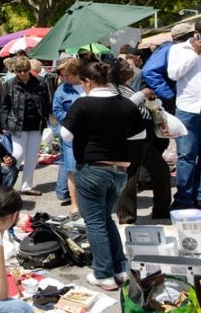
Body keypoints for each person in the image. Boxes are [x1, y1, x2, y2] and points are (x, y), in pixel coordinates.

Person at [61, 62, 146, 290]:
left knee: (95, 223)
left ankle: (103, 274)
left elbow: (65, 134)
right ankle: (120, 268)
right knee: (106, 219)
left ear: (88, 81)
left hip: (93, 168)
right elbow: (140, 135)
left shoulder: (83, 103)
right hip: (119, 171)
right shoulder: (127, 104)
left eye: (83, 83)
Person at [110, 59, 171, 223]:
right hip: (130, 141)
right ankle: (127, 218)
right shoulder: (113, 89)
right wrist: (142, 94)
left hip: (144, 140)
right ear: (120, 73)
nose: (132, 69)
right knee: (130, 178)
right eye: (128, 67)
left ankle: (162, 210)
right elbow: (125, 107)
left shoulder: (126, 86)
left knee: (161, 171)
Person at [0, 56, 50, 196]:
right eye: (19, 71)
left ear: (30, 69)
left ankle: (26, 186)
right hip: (17, 125)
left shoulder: (41, 82)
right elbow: (4, 106)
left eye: (25, 70)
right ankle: (7, 185)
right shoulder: (9, 84)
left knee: (32, 156)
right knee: (18, 154)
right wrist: (4, 124)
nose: (22, 73)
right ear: (14, 71)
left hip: (36, 124)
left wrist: (45, 118)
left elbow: (46, 102)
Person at [167, 20, 201, 211]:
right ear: (196, 33)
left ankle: (199, 196)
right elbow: (173, 74)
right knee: (186, 156)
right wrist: (196, 53)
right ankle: (183, 200)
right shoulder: (179, 50)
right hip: (188, 109)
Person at [52, 57, 84, 215]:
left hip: (90, 134)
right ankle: (75, 204)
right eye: (62, 75)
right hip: (70, 133)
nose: (64, 78)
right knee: (72, 168)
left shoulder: (89, 85)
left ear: (77, 73)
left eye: (68, 75)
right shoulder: (62, 90)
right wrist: (74, 120)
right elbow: (57, 111)